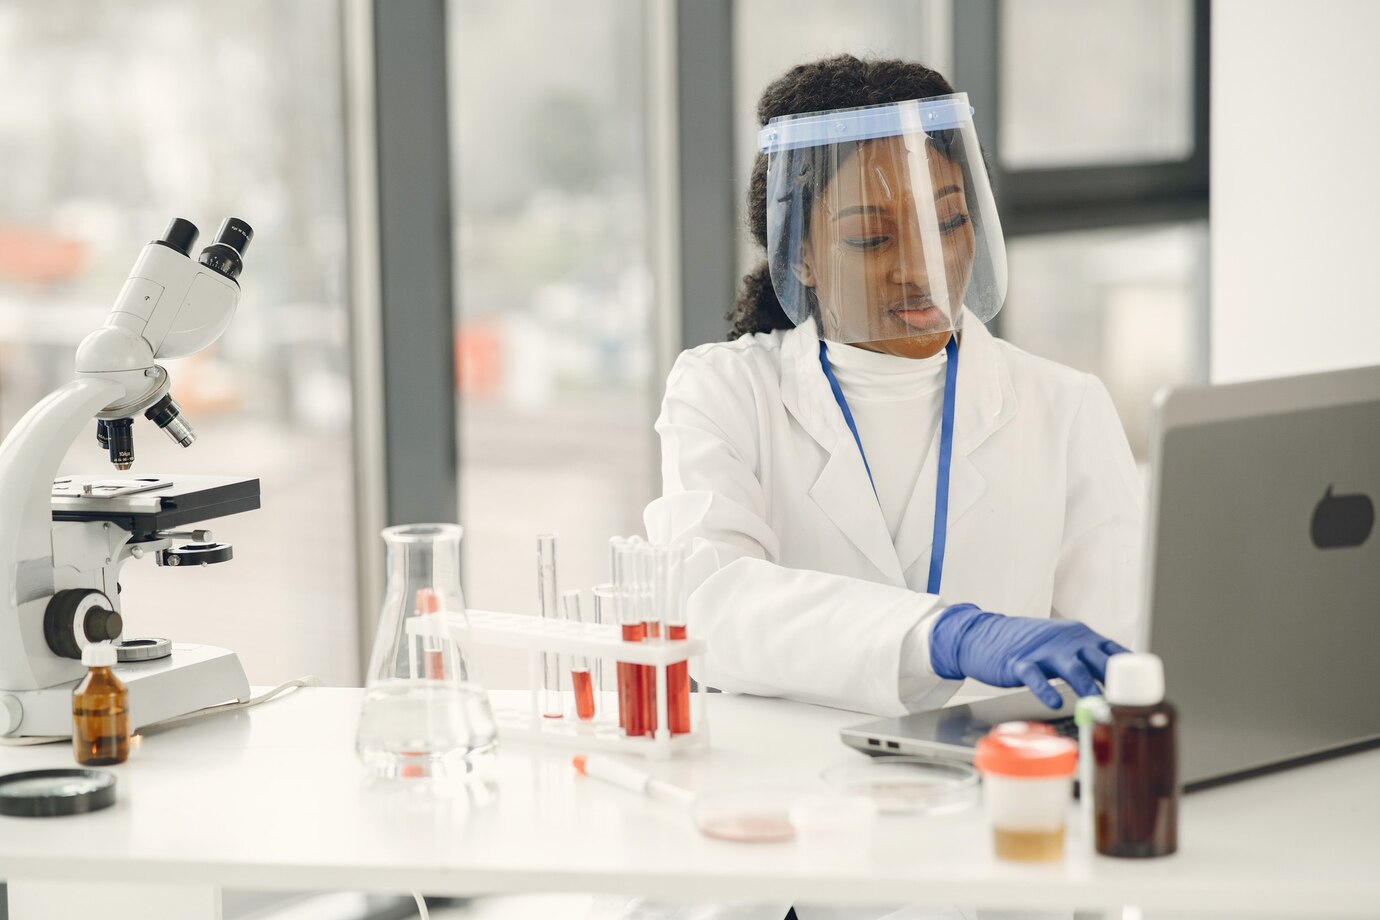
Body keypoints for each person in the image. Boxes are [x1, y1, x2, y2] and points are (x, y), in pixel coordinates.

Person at [643, 53, 1143, 721]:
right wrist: (950, 636)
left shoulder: (1065, 406)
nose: (922, 271)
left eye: (947, 224)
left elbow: (1118, 664)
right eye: (872, 237)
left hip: (992, 789)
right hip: (792, 797)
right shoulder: (726, 390)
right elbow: (710, 606)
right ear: (801, 256)